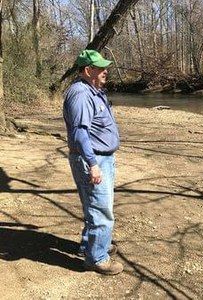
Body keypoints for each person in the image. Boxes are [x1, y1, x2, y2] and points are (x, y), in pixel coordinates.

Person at [63, 49, 123, 275]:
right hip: (93, 158)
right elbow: (80, 133)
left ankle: (93, 245)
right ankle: (97, 258)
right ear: (88, 70)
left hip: (102, 157)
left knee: (96, 206)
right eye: (100, 68)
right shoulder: (80, 94)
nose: (106, 71)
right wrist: (93, 163)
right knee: (101, 210)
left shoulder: (94, 91)